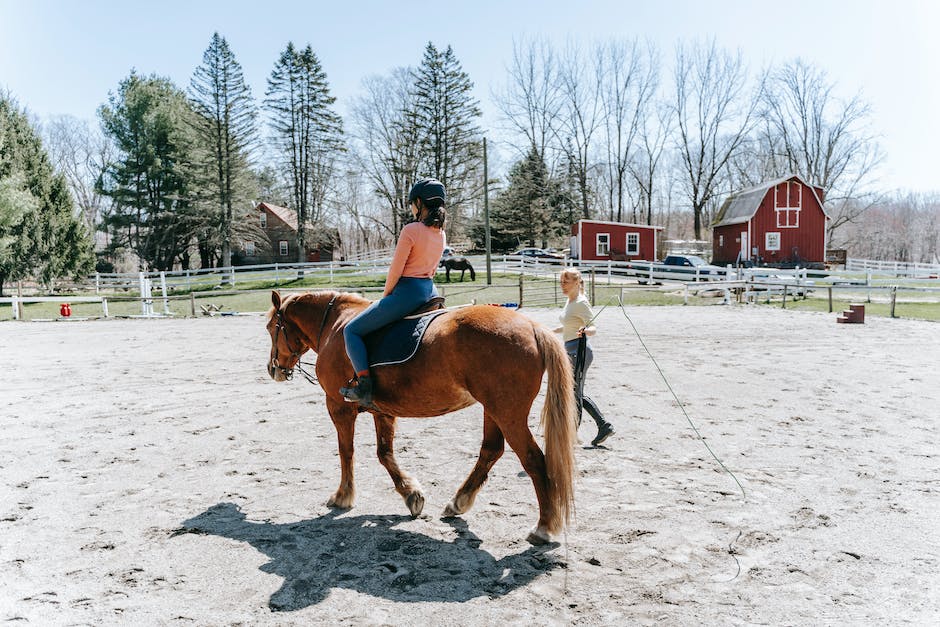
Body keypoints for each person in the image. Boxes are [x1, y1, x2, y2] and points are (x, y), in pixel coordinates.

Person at [340, 179, 447, 406]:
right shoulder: (441, 233)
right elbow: (433, 268)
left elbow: (396, 270)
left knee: (352, 330)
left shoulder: (411, 230)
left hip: (408, 292)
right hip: (431, 290)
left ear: (419, 203)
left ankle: (365, 386)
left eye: (412, 203)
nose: (411, 207)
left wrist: (387, 295)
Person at [553, 268, 614, 446]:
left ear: (576, 283)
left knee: (574, 393)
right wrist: (549, 331)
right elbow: (568, 326)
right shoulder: (570, 301)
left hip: (580, 351)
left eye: (566, 282)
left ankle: (572, 435)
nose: (562, 286)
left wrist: (586, 331)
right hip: (569, 349)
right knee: (575, 392)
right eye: (561, 282)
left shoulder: (581, 302)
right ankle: (603, 425)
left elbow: (593, 327)